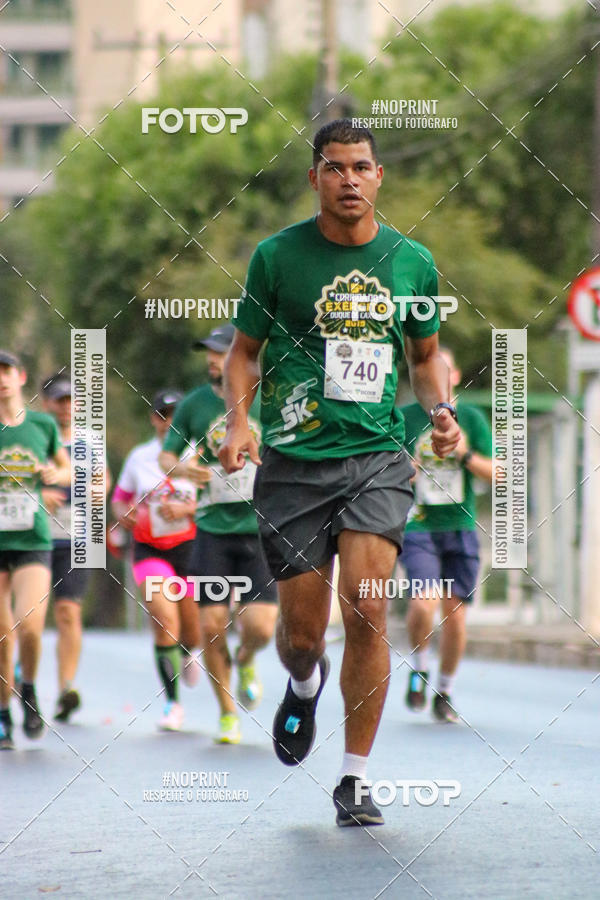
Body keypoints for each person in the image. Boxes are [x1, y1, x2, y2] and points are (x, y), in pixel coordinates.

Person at [218, 118, 460, 826]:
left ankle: (354, 777)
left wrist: (440, 409)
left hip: (378, 459)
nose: (349, 179)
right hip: (293, 465)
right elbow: (242, 353)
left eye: (361, 167)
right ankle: (305, 681)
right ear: (315, 178)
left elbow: (423, 361)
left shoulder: (413, 262)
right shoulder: (277, 257)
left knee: (366, 604)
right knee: (299, 633)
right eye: (335, 167)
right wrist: (240, 419)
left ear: (379, 176)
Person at [159, 323, 278, 745]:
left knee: (261, 629)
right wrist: (179, 467)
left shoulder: (269, 395)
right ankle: (228, 713)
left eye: (219, 351)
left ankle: (246, 659)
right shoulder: (194, 404)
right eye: (208, 352)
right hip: (211, 529)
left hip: (260, 530)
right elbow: (167, 454)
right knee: (212, 624)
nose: (212, 359)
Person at [400, 346, 493, 722]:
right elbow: (385, 471)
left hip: (460, 527)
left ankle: (446, 690)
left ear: (453, 378)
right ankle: (420, 665)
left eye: (446, 371)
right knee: (423, 602)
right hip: (418, 524)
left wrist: (466, 456)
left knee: (455, 617)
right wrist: (410, 467)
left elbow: (498, 472)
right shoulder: (404, 418)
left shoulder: (470, 417)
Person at [112, 390, 203, 732]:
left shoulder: (199, 455)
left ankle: (191, 648)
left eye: (176, 415)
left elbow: (218, 502)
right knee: (164, 618)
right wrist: (125, 514)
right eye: (164, 415)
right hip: (151, 550)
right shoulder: (139, 457)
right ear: (154, 419)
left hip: (192, 548)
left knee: (191, 626)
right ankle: (172, 702)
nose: (170, 422)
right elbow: (119, 501)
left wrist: (187, 509)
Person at [0, 350, 71, 749]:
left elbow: (65, 467)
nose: (1, 380)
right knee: (1, 634)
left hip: (32, 538)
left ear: (21, 377)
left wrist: (53, 474)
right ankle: (2, 712)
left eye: (6, 372)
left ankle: (27, 688)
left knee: (29, 627)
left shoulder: (42, 425)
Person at [39, 371, 111, 721]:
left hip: (76, 538)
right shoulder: (33, 436)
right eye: (59, 401)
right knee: (28, 619)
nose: (66, 408)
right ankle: (22, 681)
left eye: (71, 401)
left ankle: (66, 687)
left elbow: (102, 484)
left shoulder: (88, 441)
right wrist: (37, 496)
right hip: (31, 537)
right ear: (45, 403)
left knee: (68, 611)